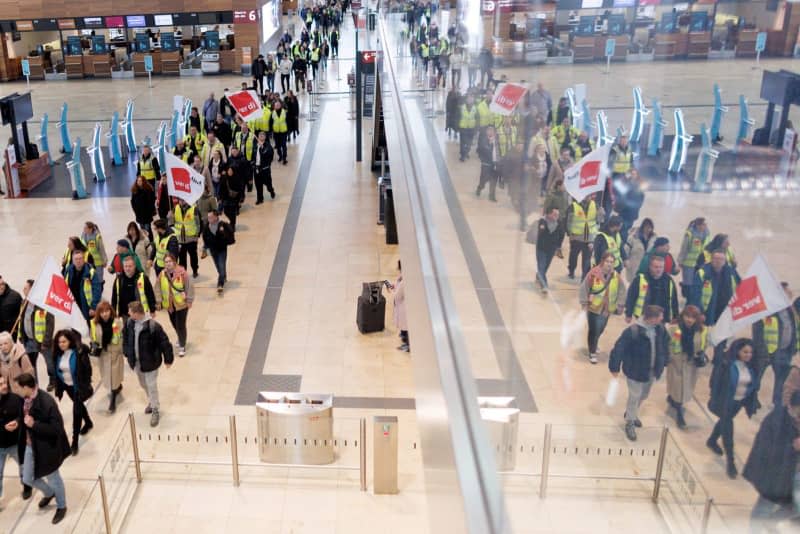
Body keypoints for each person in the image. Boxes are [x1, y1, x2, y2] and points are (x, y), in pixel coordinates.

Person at [16, 372, 70, 524]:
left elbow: (57, 429)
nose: (17, 390)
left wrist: (35, 425)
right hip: (29, 445)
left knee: (54, 478)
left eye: (19, 388)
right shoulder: (25, 400)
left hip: (47, 447)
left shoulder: (46, 402)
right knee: (28, 478)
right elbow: (24, 418)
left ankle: (62, 505)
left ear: (26, 387)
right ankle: (49, 493)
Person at [609, 305, 669, 441]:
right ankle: (630, 421)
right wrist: (614, 367)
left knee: (644, 395)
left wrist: (664, 361)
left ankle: (632, 413)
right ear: (652, 318)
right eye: (659, 317)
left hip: (651, 371)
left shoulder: (660, 329)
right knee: (634, 396)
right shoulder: (632, 331)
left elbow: (665, 345)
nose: (662, 319)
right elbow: (619, 349)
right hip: (635, 370)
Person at [707, 338, 761, 478]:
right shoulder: (726, 365)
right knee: (728, 429)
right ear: (737, 351)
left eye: (751, 352)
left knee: (725, 422)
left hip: (738, 403)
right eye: (745, 352)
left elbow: (753, 386)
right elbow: (715, 383)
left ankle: (712, 440)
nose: (749, 355)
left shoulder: (751, 367)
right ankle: (731, 461)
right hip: (725, 402)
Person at [122, 302, 174, 427]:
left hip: (150, 362)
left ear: (136, 313)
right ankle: (151, 401)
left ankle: (155, 409)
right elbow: (125, 338)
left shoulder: (153, 326)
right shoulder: (130, 323)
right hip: (137, 362)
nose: (128, 313)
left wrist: (168, 359)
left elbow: (164, 342)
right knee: (143, 384)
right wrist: (127, 352)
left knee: (151, 386)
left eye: (130, 311)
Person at [753, 283, 798, 407]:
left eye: (789, 294)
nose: (788, 296)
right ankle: (752, 399)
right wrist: (761, 350)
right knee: (757, 376)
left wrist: (793, 347)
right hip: (767, 351)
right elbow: (758, 332)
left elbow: (794, 329)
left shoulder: (790, 311)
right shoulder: (765, 310)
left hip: (784, 351)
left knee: (781, 379)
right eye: (785, 293)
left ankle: (777, 403)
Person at [666, 305, 709, 429]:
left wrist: (700, 355)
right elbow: (668, 344)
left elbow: (704, 344)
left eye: (693, 317)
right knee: (678, 388)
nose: (689, 320)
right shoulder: (674, 329)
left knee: (685, 388)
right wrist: (672, 357)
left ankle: (674, 401)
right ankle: (679, 413)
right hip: (676, 363)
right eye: (687, 316)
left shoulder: (701, 331)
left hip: (691, 364)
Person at [581, 252, 626, 365]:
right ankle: (592, 352)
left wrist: (620, 304)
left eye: (612, 262)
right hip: (594, 308)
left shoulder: (616, 276)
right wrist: (584, 303)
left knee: (601, 328)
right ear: (602, 261)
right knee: (594, 330)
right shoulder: (593, 274)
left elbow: (622, 290)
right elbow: (585, 287)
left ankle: (594, 343)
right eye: (607, 261)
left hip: (607, 309)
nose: (609, 264)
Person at [52, 329, 92, 456]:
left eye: (64, 341)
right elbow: (57, 373)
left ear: (70, 341)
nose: (61, 344)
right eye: (59, 342)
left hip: (78, 387)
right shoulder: (58, 355)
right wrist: (59, 388)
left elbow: (87, 371)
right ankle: (89, 422)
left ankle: (74, 442)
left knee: (76, 412)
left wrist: (84, 384)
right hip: (68, 387)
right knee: (79, 407)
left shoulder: (78, 353)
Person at [18, 281, 55, 389]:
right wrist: (21, 336)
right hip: (29, 341)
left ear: (33, 289)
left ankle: (53, 379)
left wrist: (46, 341)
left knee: (49, 362)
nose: (23, 290)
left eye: (26, 288)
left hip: (42, 341)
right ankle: (34, 385)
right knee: (30, 365)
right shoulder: (24, 302)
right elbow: (22, 320)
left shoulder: (44, 304)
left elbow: (50, 324)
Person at [155, 254, 193, 357]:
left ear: (174, 262)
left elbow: (189, 286)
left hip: (181, 304)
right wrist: (158, 301)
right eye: (166, 262)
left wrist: (189, 300)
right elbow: (157, 287)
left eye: (169, 261)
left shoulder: (182, 273)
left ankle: (182, 345)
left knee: (180, 325)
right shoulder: (162, 274)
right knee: (174, 323)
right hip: (169, 305)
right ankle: (181, 338)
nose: (168, 263)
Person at [689, 250, 740, 327]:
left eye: (721, 259)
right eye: (716, 258)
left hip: (726, 310)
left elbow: (740, 286)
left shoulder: (731, 272)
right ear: (711, 259)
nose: (718, 261)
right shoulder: (702, 273)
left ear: (725, 261)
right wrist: (699, 313)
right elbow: (695, 295)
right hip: (707, 312)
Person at [90, 301, 124, 414]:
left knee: (114, 377)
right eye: (102, 312)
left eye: (107, 311)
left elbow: (121, 338)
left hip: (114, 353)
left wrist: (120, 350)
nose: (105, 314)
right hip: (103, 355)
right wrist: (94, 345)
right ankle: (117, 388)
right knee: (107, 376)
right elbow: (93, 338)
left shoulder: (117, 322)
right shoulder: (94, 324)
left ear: (111, 311)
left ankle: (113, 399)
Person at [626, 255, 679, 323]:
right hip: (644, 316)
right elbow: (631, 297)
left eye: (661, 267)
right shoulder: (640, 279)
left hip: (662, 317)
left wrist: (675, 316)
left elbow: (674, 300)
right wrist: (628, 314)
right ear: (650, 267)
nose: (659, 270)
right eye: (656, 267)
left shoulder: (668, 281)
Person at [0, 374, 29, 501]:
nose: (5, 386)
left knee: (24, 468)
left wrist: (17, 422)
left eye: (5, 383)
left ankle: (27, 486)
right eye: (0, 385)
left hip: (15, 443)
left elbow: (23, 415)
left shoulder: (16, 399)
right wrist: (3, 428)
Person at [566, 195, 603, 281]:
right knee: (573, 256)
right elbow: (569, 221)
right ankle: (571, 270)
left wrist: (601, 214)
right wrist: (569, 233)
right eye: (586, 195)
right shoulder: (574, 206)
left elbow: (599, 221)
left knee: (587, 259)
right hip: (576, 237)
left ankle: (585, 276)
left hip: (589, 238)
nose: (588, 197)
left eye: (589, 195)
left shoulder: (596, 206)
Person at [111, 255, 156, 322]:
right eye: (125, 266)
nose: (127, 268)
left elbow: (150, 294)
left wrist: (152, 310)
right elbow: (114, 297)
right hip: (125, 314)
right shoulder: (118, 279)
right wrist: (114, 312)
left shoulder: (143, 278)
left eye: (130, 266)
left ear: (134, 266)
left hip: (140, 313)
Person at [533, 207, 565, 294]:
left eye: (557, 215)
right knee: (542, 266)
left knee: (545, 267)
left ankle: (538, 276)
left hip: (551, 249)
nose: (556, 216)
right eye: (555, 214)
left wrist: (558, 247)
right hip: (541, 249)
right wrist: (543, 226)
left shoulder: (559, 223)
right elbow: (540, 231)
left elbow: (562, 235)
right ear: (549, 214)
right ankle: (544, 285)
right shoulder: (543, 221)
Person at [202, 210, 235, 294]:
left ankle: (220, 284)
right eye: (208, 217)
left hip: (222, 250)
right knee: (218, 266)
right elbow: (205, 239)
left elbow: (230, 234)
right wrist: (205, 249)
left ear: (216, 217)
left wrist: (224, 235)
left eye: (211, 217)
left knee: (221, 265)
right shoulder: (206, 227)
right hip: (213, 250)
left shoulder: (223, 225)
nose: (209, 219)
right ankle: (223, 276)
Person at [63, 250, 102, 322]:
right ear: (73, 260)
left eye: (80, 259)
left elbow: (97, 290)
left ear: (84, 259)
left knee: (88, 328)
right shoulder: (69, 270)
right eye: (76, 259)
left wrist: (93, 307)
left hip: (87, 308)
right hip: (73, 307)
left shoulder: (91, 272)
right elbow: (64, 285)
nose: (78, 261)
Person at [677, 217, 710, 299]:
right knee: (688, 282)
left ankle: (692, 295)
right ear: (698, 225)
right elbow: (684, 248)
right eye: (703, 224)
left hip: (700, 261)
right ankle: (687, 296)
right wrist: (680, 261)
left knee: (697, 281)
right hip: (689, 262)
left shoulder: (706, 233)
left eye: (705, 224)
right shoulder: (690, 234)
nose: (705, 226)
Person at [170, 200, 202, 278]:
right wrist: (170, 217)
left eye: (183, 200)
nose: (181, 201)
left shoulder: (194, 209)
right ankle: (183, 273)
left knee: (193, 256)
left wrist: (197, 235)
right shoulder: (175, 209)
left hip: (191, 238)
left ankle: (195, 270)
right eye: (180, 200)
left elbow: (198, 223)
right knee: (182, 258)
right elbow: (171, 223)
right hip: (180, 239)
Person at [613, 169, 645, 242]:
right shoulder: (626, 184)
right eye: (631, 174)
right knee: (622, 231)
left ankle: (621, 245)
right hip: (625, 213)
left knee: (623, 232)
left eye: (634, 174)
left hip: (629, 214)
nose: (632, 176)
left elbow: (640, 199)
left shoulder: (637, 186)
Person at [0, 332, 34, 396]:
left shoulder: (21, 356)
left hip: (21, 394)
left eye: (5, 343)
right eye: (0, 345)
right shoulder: (0, 359)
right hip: (7, 394)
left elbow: (30, 375)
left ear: (11, 343)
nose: (3, 347)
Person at [623, 218, 656, 285]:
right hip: (634, 264)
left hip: (647, 265)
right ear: (643, 227)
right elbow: (626, 250)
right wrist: (625, 260)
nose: (648, 230)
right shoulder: (633, 237)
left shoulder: (654, 238)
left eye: (650, 228)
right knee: (634, 283)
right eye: (647, 227)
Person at [387, 262, 408, 352]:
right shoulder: (402, 277)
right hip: (401, 305)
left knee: (406, 326)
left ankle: (407, 344)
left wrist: (391, 291)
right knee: (404, 325)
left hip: (403, 306)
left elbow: (397, 296)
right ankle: (404, 336)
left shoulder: (404, 281)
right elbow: (398, 285)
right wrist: (394, 286)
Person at [476, 126, 500, 202]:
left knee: (494, 180)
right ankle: (480, 187)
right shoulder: (484, 140)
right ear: (486, 132)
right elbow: (481, 149)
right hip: (486, 163)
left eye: (492, 130)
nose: (490, 132)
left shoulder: (497, 140)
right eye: (489, 130)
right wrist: (490, 143)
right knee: (483, 179)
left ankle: (492, 195)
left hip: (495, 163)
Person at [253, 131, 276, 205]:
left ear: (265, 137)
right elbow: (253, 156)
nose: (261, 136)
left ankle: (271, 190)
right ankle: (260, 199)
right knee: (258, 185)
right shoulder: (255, 145)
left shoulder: (268, 146)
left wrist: (262, 148)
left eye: (263, 135)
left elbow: (269, 156)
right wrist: (253, 164)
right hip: (256, 168)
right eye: (260, 135)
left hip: (265, 169)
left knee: (268, 184)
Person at [459, 94, 478, 162]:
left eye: (471, 98)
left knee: (469, 143)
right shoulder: (462, 107)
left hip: (471, 128)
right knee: (463, 142)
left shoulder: (475, 108)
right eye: (469, 98)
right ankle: (462, 155)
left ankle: (466, 152)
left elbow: (477, 119)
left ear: (473, 100)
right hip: (463, 127)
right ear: (466, 99)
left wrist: (476, 128)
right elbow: (458, 117)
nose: (470, 100)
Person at [270, 100, 289, 165]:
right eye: (276, 105)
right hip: (276, 132)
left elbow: (288, 121)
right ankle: (280, 156)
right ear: (274, 106)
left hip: (283, 132)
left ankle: (284, 158)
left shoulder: (284, 112)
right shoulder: (272, 113)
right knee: (278, 146)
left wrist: (288, 130)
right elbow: (271, 122)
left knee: (284, 145)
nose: (277, 106)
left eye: (278, 105)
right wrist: (271, 130)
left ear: (280, 105)